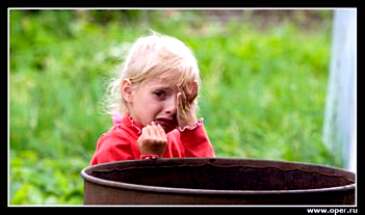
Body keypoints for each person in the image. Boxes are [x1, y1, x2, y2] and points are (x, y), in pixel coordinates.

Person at [90, 32, 215, 165]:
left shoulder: (178, 138)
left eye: (181, 98)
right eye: (160, 94)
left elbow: (208, 180)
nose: (173, 107)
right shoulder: (116, 145)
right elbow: (122, 186)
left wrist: (191, 130)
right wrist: (151, 158)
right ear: (128, 91)